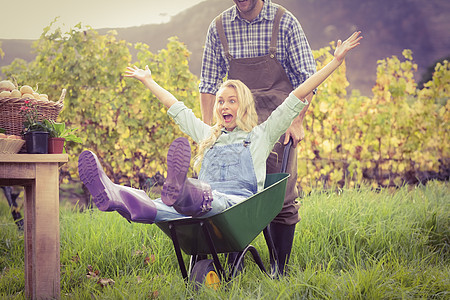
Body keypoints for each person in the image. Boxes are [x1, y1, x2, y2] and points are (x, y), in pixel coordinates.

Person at [78, 31, 361, 239]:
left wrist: (334, 63)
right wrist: (149, 81)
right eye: (220, 101)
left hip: (236, 207)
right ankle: (116, 195)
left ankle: (182, 191)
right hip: (200, 206)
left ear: (244, 106)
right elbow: (176, 108)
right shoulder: (208, 136)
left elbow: (296, 96)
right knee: (156, 208)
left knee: (206, 199)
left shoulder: (261, 135)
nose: (224, 105)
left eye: (231, 100)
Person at [199, 0, 317, 274]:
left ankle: (280, 266)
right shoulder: (219, 27)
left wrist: (297, 122)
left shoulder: (284, 22)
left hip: (277, 122)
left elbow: (307, 78)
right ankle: (231, 260)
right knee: (227, 191)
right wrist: (210, 132)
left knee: (280, 195)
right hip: (237, 123)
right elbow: (208, 83)